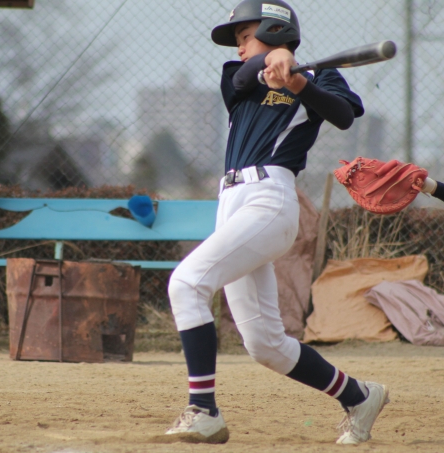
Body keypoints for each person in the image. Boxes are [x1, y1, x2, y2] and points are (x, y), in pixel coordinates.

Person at [163, 0, 389, 445]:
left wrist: (300, 82)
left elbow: (343, 115)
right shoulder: (240, 75)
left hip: (269, 199)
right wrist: (272, 59)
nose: (239, 47)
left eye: (247, 37)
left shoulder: (319, 76)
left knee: (186, 284)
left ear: (274, 29)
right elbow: (243, 77)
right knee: (265, 344)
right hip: (231, 204)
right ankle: (360, 396)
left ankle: (203, 410)